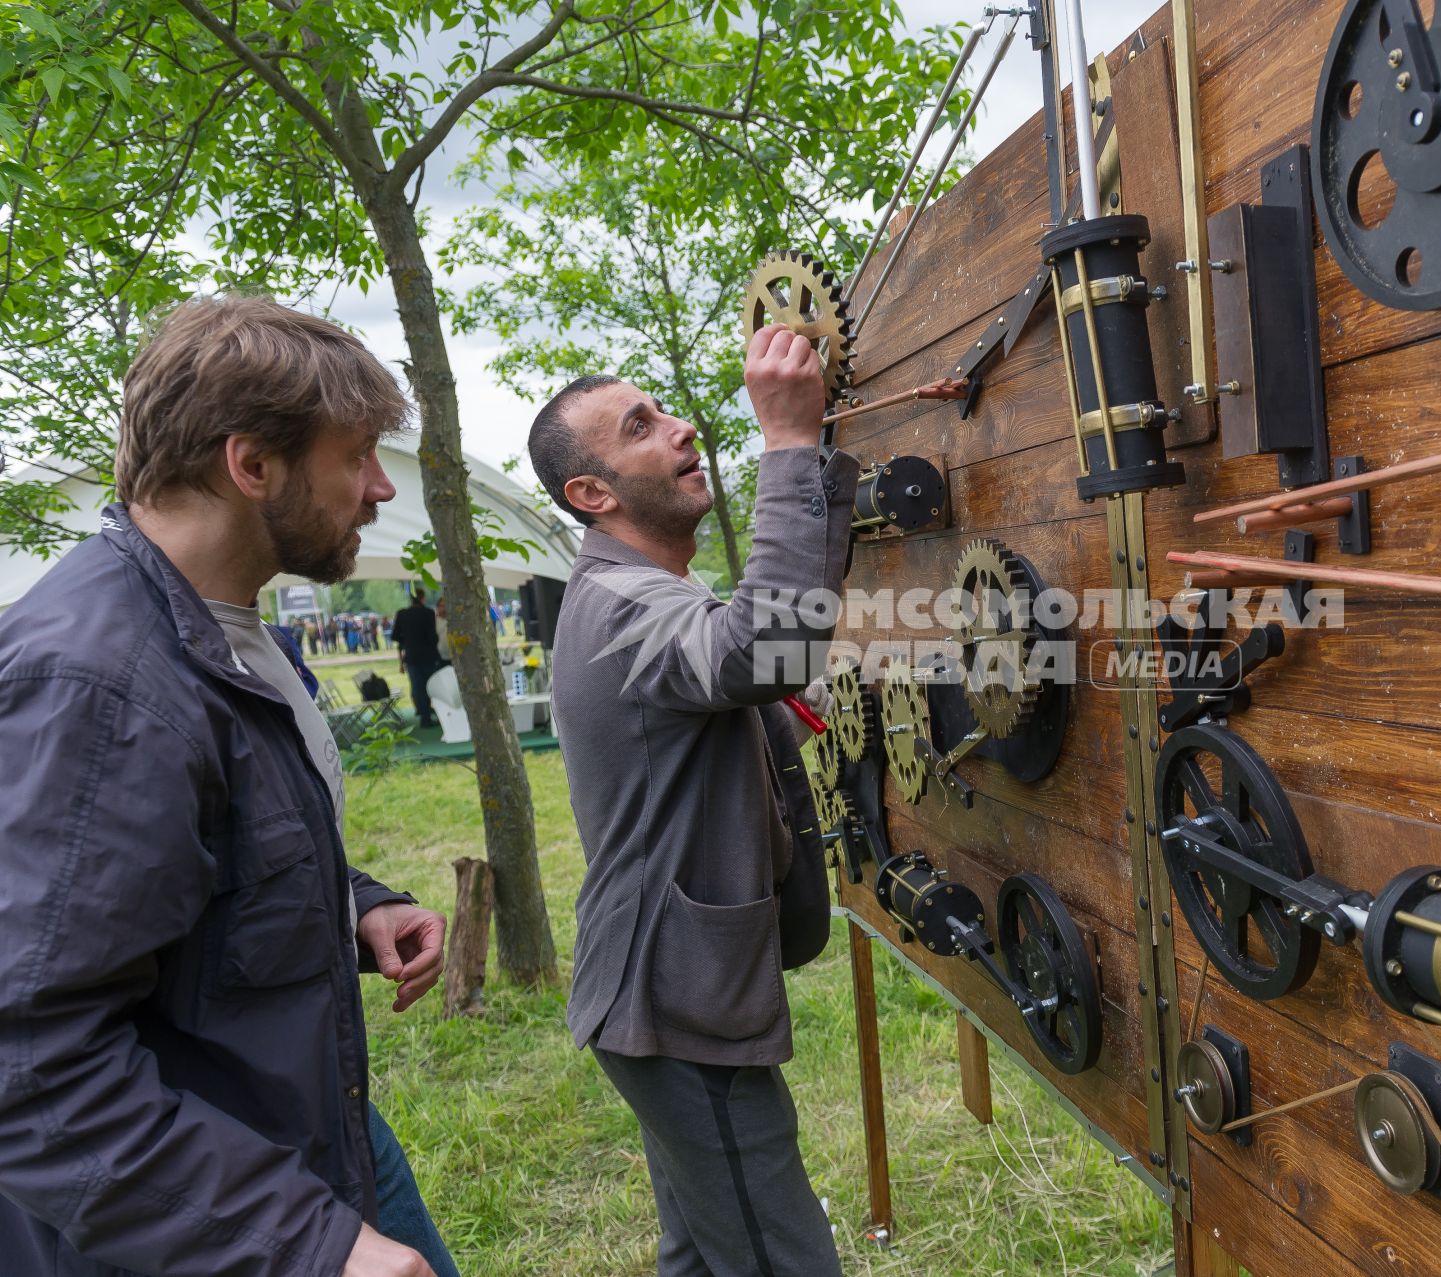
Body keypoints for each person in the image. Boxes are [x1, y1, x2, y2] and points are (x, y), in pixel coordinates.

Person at [0, 295, 457, 1277]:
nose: (380, 487)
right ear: (251, 464)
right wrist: (309, 1243)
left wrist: (355, 903)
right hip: (201, 1206)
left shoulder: (219, 626)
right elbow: (30, 1066)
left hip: (299, 1124)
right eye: (357, 454)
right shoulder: (99, 681)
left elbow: (202, 841)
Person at [532, 322, 849, 1277]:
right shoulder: (621, 605)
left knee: (706, 1258)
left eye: (665, 408)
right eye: (641, 425)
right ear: (591, 492)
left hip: (666, 1000)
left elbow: (734, 698)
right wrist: (791, 444)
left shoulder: (639, 590)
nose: (680, 429)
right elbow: (763, 652)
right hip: (674, 1013)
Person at [393, 588, 440, 727]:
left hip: (412, 656)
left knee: (418, 687)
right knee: (431, 686)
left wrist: (407, 641)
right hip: (428, 656)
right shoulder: (428, 613)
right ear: (422, 598)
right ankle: (430, 714)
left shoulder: (402, 614)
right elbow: (433, 637)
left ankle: (424, 715)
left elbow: (395, 636)